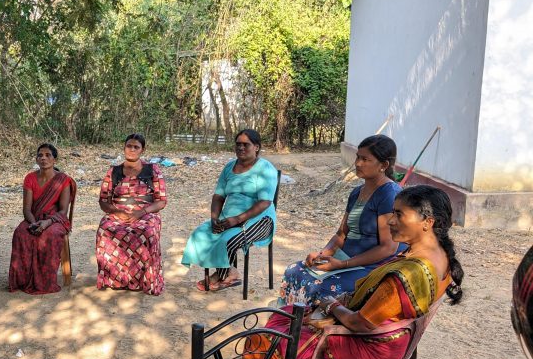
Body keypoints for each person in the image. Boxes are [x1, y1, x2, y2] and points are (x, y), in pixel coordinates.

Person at [238, 185, 464, 359]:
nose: (390, 220)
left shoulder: (409, 272)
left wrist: (332, 305)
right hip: (394, 338)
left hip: (373, 346)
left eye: (399, 214)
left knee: (268, 337)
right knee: (290, 314)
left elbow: (360, 323)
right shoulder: (440, 256)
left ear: (427, 222)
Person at [279, 135, 404, 306]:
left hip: (373, 265)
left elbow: (388, 247)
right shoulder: (357, 192)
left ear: (384, 165)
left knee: (321, 289)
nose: (358, 163)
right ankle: (288, 325)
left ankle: (306, 329)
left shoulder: (389, 194)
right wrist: (321, 255)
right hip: (346, 258)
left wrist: (342, 264)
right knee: (294, 272)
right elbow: (341, 234)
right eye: (358, 157)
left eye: (365, 159)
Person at [181, 128, 279, 291]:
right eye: (238, 144)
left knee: (227, 240)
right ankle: (228, 272)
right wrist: (214, 219)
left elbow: (264, 203)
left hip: (260, 220)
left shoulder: (265, 169)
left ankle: (223, 275)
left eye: (246, 145)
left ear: (256, 147)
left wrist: (237, 219)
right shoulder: (229, 168)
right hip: (229, 218)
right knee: (200, 234)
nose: (241, 148)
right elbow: (218, 196)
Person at [95, 133, 168, 295]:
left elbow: (161, 201)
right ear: (124, 147)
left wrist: (142, 212)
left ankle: (146, 280)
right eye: (129, 146)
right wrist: (116, 211)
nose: (132, 150)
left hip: (146, 212)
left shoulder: (152, 170)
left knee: (147, 231)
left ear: (143, 150)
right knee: (105, 229)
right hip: (118, 212)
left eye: (136, 147)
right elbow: (103, 200)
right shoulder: (114, 171)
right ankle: (115, 279)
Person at [8, 143, 75, 295]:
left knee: (48, 235)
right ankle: (22, 280)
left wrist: (46, 223)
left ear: (54, 160)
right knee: (21, 233)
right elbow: (26, 209)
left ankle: (44, 282)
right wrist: (33, 224)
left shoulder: (63, 180)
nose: (43, 158)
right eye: (40, 155)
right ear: (36, 159)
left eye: (48, 155)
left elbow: (63, 210)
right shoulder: (30, 178)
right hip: (34, 218)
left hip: (55, 220)